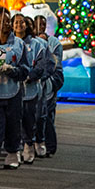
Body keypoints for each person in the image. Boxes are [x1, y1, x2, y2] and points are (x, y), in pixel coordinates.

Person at [0, 6, 29, 170]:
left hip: (13, 93)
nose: (6, 24)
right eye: (2, 21)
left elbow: (25, 69)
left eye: (8, 20)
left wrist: (12, 70)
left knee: (13, 124)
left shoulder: (19, 44)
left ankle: (12, 153)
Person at [13, 12, 49, 164]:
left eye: (22, 22)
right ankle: (16, 148)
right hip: (12, 90)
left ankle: (29, 144)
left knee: (29, 118)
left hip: (30, 90)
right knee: (15, 121)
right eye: (15, 22)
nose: (18, 25)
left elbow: (42, 66)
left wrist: (29, 76)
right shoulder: (9, 43)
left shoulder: (37, 45)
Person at [34, 14, 63, 158]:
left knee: (46, 116)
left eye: (43, 24)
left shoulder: (54, 43)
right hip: (34, 84)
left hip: (48, 84)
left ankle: (49, 145)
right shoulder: (30, 41)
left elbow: (54, 65)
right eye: (37, 24)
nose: (40, 27)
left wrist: (48, 81)